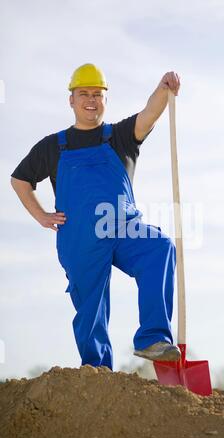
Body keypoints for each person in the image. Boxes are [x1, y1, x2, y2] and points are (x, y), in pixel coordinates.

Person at [11, 63, 181, 370]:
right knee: (91, 307)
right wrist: (41, 215)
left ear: (105, 99)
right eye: (84, 93)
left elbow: (150, 113)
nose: (91, 99)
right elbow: (20, 180)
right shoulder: (54, 145)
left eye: (97, 94)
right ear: (72, 100)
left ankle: (152, 339)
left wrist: (164, 88)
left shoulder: (120, 137)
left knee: (160, 248)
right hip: (80, 238)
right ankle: (97, 372)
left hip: (124, 229)